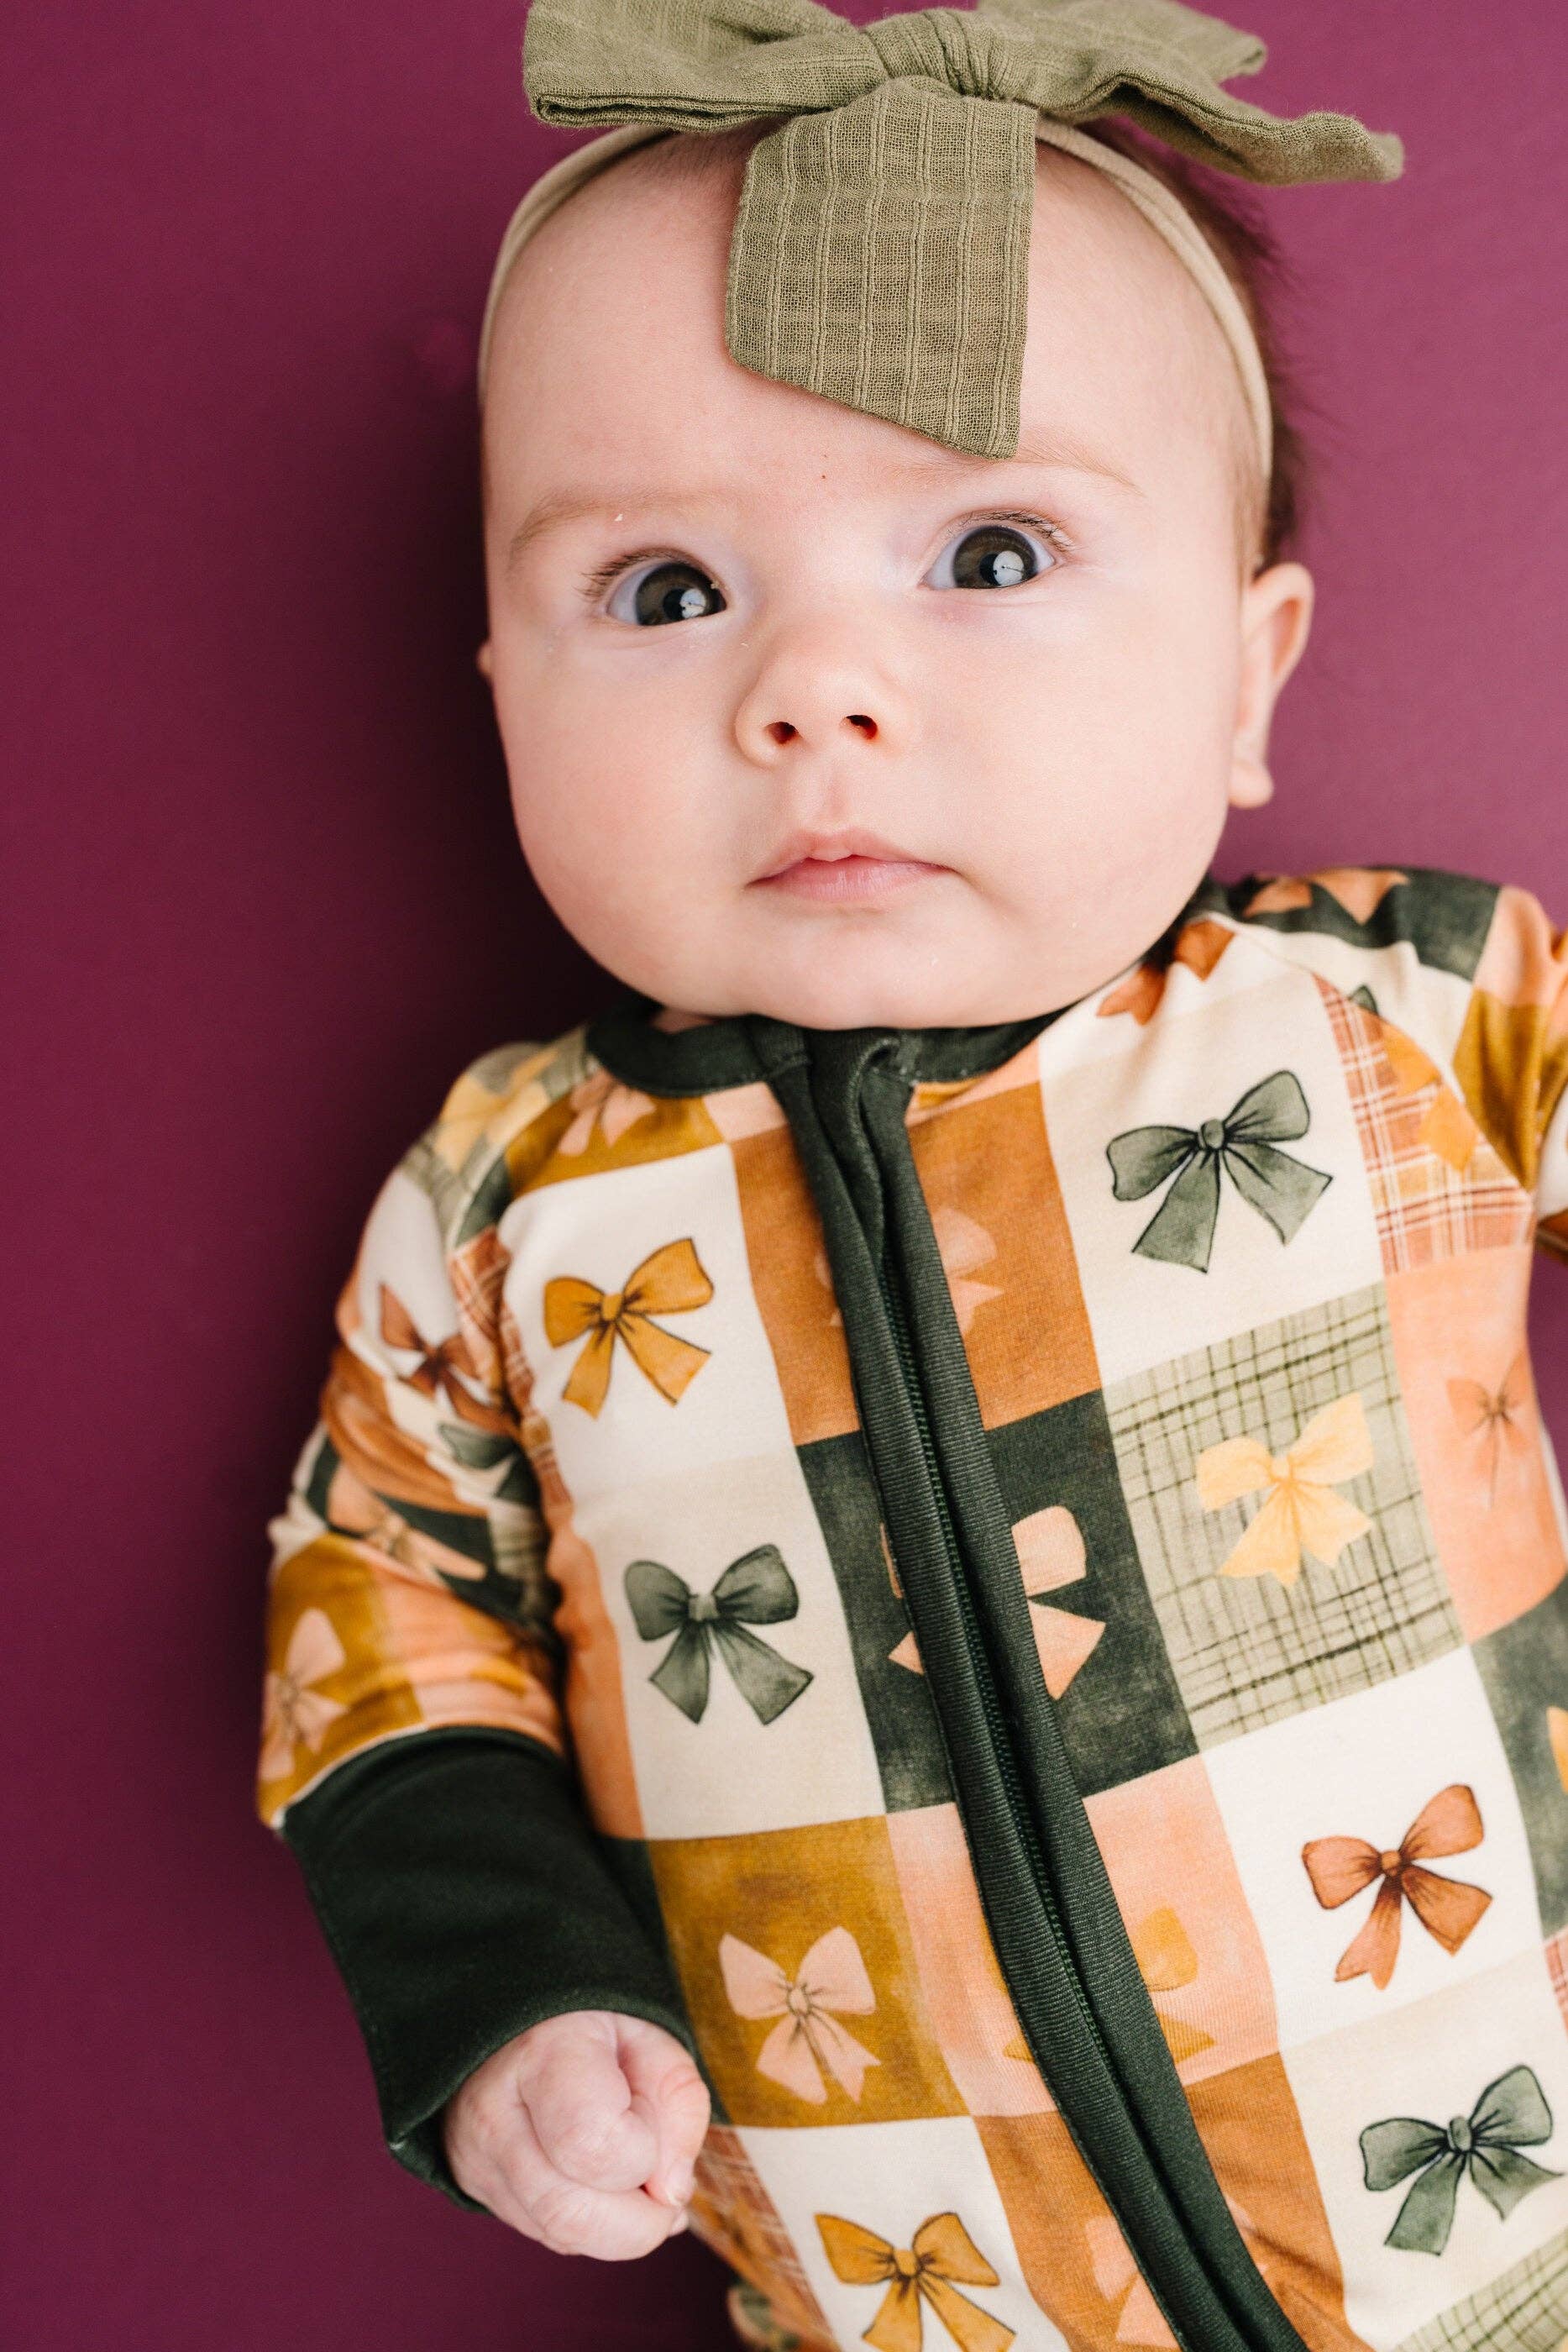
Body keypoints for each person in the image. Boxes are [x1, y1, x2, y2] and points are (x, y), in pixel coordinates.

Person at [257, 4, 1568, 2345]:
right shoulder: (508, 1209)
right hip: (905, 2294)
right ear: (501, 696)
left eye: (988, 549)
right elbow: (376, 1615)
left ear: (1247, 676)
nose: (817, 689)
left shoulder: (1403, 1010)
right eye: (667, 592)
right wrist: (505, 1992)